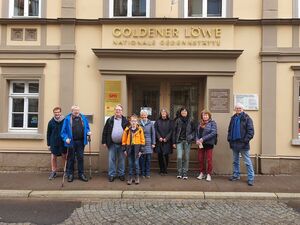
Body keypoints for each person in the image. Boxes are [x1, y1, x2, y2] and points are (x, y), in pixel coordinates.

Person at [61, 105, 91, 182]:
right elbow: (63, 132)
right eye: (75, 110)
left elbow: (87, 127)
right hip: (71, 142)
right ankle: (70, 174)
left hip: (81, 142)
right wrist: (66, 138)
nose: (76, 112)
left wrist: (88, 132)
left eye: (77, 110)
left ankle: (81, 174)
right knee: (71, 158)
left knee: (80, 158)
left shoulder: (83, 118)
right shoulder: (67, 119)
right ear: (72, 111)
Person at [227, 103, 255, 186]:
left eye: (240, 108)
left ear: (243, 109)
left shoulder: (247, 118)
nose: (238, 109)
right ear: (235, 109)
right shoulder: (233, 118)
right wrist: (229, 139)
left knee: (247, 162)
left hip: (243, 144)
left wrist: (245, 141)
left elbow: (251, 132)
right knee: (235, 161)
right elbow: (229, 130)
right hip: (234, 143)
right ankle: (236, 175)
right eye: (237, 108)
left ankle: (251, 178)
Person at [102, 104, 129, 182]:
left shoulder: (126, 121)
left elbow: (128, 133)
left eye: (119, 110)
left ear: (122, 111)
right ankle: (112, 174)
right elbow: (105, 131)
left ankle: (121, 174)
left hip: (122, 144)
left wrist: (127, 144)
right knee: (111, 160)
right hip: (112, 143)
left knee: (121, 160)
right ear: (114, 111)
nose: (118, 111)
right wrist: (104, 141)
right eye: (116, 109)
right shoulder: (110, 120)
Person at [122, 114, 145, 185]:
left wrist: (141, 150)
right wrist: (124, 150)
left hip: (137, 149)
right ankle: (130, 178)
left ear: (137, 122)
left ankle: (137, 177)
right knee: (130, 164)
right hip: (129, 149)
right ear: (130, 121)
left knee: (136, 164)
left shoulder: (140, 129)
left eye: (135, 121)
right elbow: (124, 140)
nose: (133, 122)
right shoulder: (127, 130)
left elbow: (142, 140)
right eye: (132, 121)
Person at [173, 107, 195, 180]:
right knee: (179, 157)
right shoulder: (177, 120)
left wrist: (191, 137)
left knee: (186, 157)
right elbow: (174, 131)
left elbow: (194, 131)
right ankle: (179, 172)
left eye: (185, 111)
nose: (184, 112)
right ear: (180, 112)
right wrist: (174, 142)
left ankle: (185, 172)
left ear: (187, 112)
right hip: (179, 141)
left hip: (187, 141)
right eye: (182, 111)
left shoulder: (191, 120)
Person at [196, 110, 217, 182]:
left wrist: (203, 139)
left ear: (209, 116)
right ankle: (202, 173)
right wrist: (197, 139)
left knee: (209, 160)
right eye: (203, 115)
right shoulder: (200, 123)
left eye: (206, 115)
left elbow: (213, 133)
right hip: (201, 144)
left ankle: (209, 174)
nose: (205, 116)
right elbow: (197, 133)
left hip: (209, 144)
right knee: (200, 159)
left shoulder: (212, 123)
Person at [47, 106, 67, 180]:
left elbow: (68, 131)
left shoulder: (65, 121)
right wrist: (48, 144)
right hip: (54, 143)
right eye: (55, 112)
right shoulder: (51, 122)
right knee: (53, 158)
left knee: (64, 157)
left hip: (63, 142)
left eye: (58, 112)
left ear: (60, 112)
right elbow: (48, 133)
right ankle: (53, 172)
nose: (57, 113)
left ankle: (65, 171)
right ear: (54, 113)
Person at [154, 108, 173, 175]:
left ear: (167, 113)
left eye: (165, 112)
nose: (163, 113)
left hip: (167, 141)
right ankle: (161, 170)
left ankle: (165, 169)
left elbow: (171, 131)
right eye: (162, 112)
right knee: (160, 156)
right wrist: (159, 137)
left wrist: (166, 138)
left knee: (166, 155)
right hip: (159, 141)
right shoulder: (157, 121)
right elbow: (155, 130)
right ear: (161, 113)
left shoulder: (170, 121)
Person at [139, 110, 156, 179]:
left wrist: (153, 143)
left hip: (149, 143)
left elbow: (153, 133)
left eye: (145, 115)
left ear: (147, 115)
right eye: (142, 115)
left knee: (148, 160)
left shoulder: (150, 123)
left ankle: (147, 173)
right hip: (141, 143)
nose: (144, 116)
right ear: (141, 116)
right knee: (142, 159)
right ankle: (142, 173)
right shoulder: (138, 123)